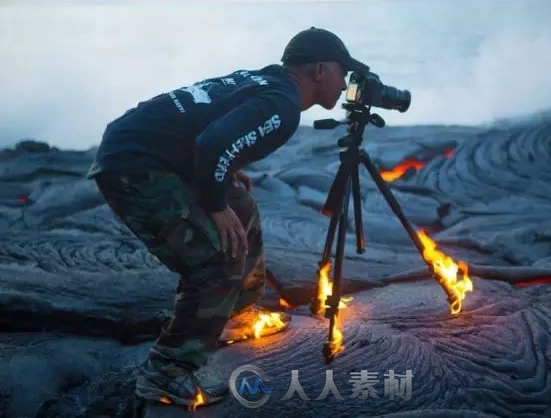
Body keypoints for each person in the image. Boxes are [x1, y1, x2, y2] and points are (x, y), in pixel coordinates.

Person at [88, 27, 367, 407]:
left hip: (146, 149)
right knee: (217, 260)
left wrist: (225, 173)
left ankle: (235, 314)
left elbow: (212, 127)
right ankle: (166, 372)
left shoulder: (265, 79)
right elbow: (212, 142)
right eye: (342, 70)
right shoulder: (283, 105)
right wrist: (215, 205)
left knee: (242, 206)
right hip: (134, 166)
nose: (346, 80)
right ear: (319, 70)